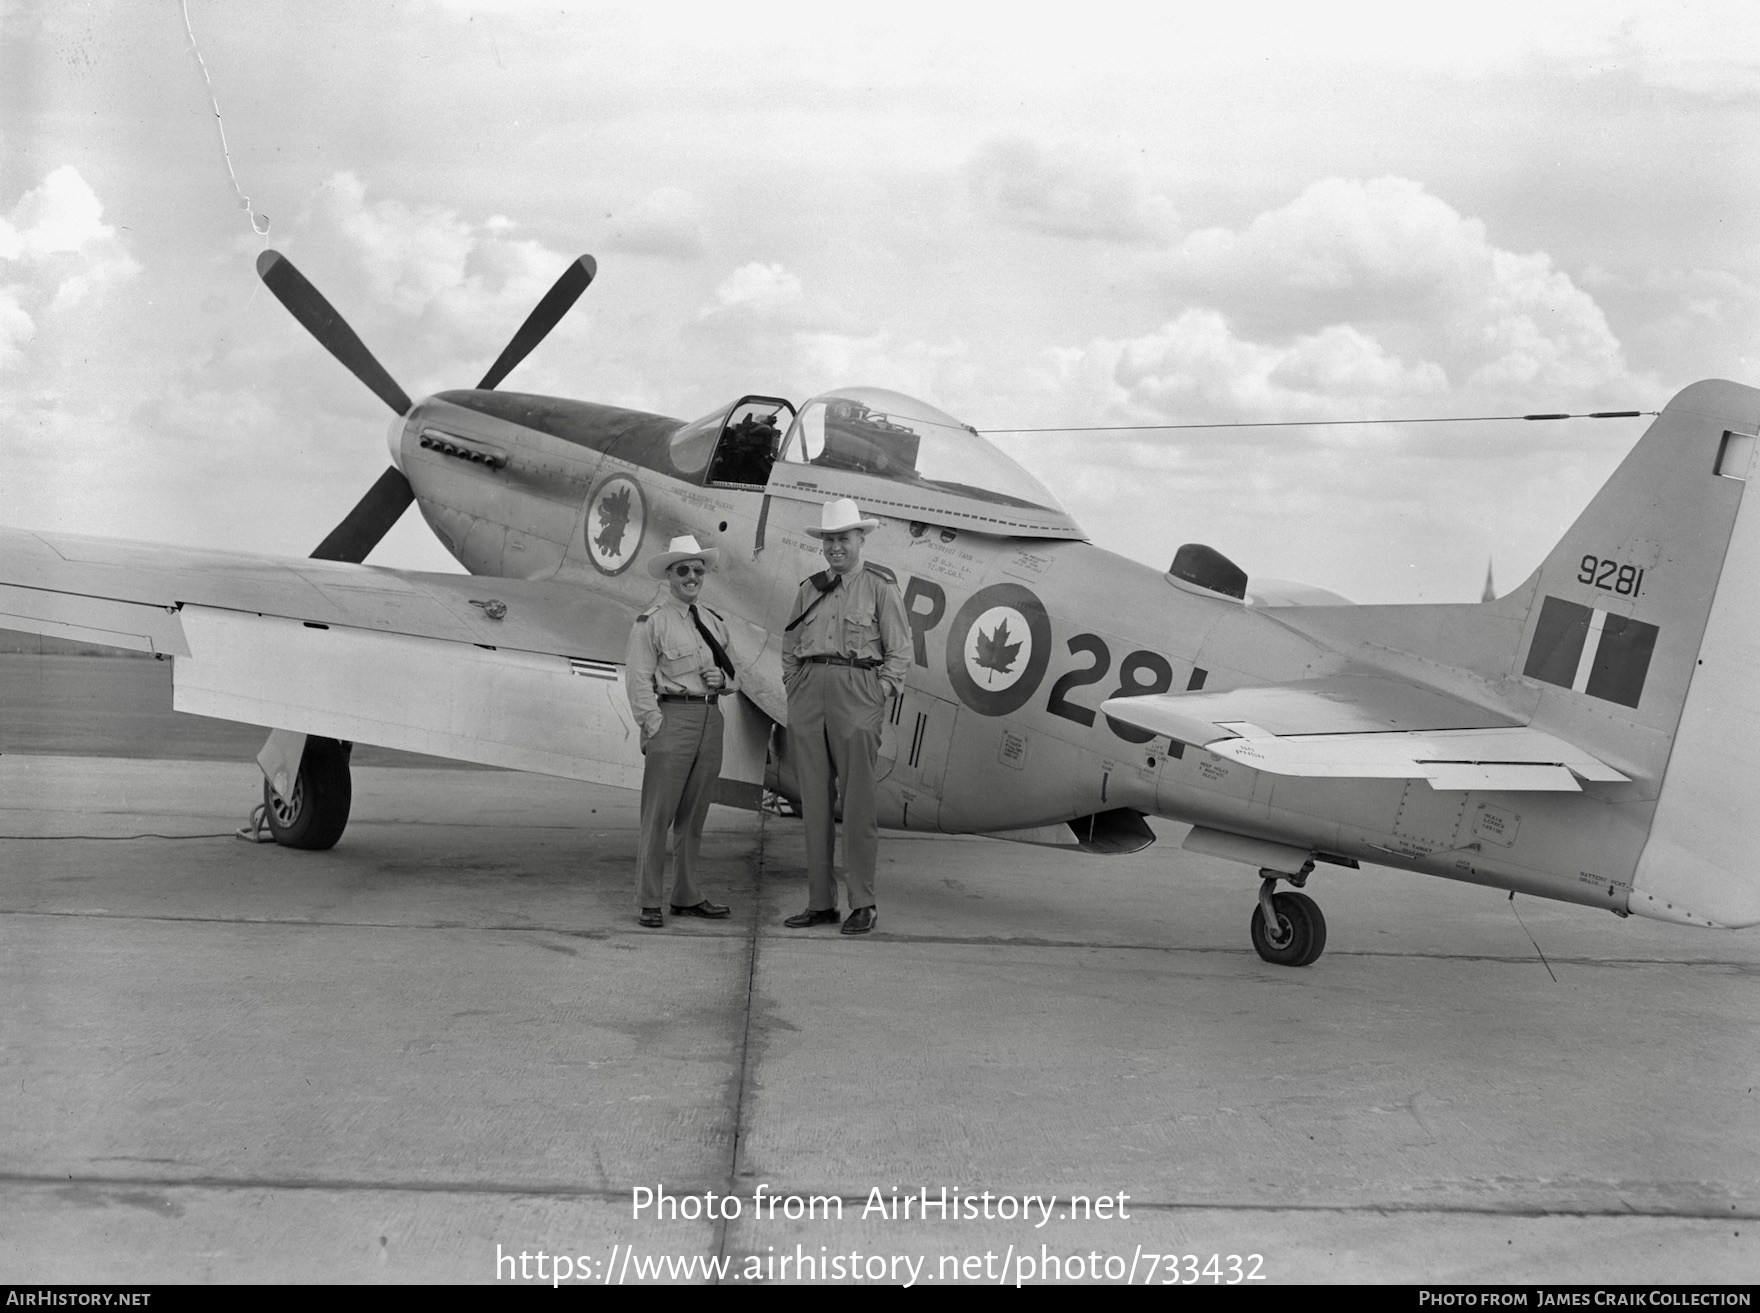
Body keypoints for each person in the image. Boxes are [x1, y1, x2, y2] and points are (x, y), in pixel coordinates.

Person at [780, 498, 910, 936]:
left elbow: (899, 652)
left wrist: (878, 693)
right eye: (829, 539)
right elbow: (791, 642)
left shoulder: (881, 586)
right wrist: (794, 686)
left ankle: (863, 904)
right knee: (813, 803)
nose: (836, 547)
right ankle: (820, 903)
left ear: (860, 540)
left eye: (844, 539)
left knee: (857, 805)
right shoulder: (809, 588)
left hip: (858, 691)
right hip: (809, 692)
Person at [624, 534, 739, 928]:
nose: (692, 577)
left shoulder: (714, 622)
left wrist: (720, 677)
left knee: (694, 817)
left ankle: (687, 896)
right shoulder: (651, 622)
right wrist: (654, 726)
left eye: (698, 571)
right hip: (673, 719)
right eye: (684, 570)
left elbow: (737, 678)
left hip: (711, 720)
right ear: (670, 576)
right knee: (658, 817)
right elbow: (638, 682)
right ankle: (649, 900)